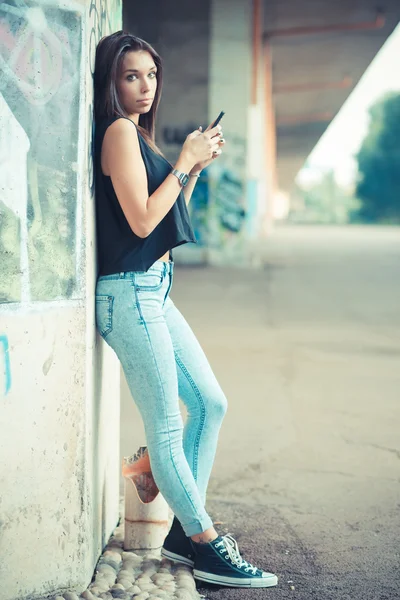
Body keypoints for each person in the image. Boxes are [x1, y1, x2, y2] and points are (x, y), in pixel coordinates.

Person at [93, 30, 277, 589]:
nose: (145, 86)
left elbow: (169, 223)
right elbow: (143, 222)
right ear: (112, 81)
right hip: (127, 293)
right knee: (168, 427)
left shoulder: (142, 139)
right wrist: (183, 162)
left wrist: (192, 168)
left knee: (211, 403)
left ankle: (180, 534)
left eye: (151, 75)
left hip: (155, 289)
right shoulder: (119, 133)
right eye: (132, 76)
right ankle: (204, 540)